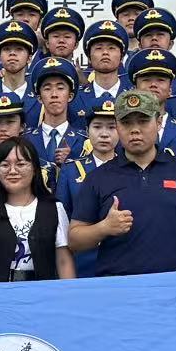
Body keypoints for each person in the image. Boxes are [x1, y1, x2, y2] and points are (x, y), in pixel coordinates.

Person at [70, 88, 176, 275]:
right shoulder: (98, 177)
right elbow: (75, 240)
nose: (135, 129)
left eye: (143, 121)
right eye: (126, 122)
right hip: (119, 286)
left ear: (158, 123)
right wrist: (104, 228)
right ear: (117, 126)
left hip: (173, 285)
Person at [0, 135, 77, 281]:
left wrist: (68, 292)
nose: (12, 171)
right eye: (5, 165)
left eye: (20, 164)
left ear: (35, 169)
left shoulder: (54, 208)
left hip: (41, 291)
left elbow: (63, 261)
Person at [56, 98, 118, 278]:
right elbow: (63, 221)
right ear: (87, 130)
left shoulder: (129, 169)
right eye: (97, 127)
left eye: (112, 127)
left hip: (121, 259)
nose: (104, 134)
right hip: (83, 260)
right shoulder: (71, 170)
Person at [124, 48, 176, 159]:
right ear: (134, 89)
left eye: (160, 80)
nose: (153, 85)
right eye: (146, 80)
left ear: (170, 89)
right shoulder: (123, 129)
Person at [28, 55, 84, 166]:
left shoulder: (84, 142)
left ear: (70, 96)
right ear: (39, 98)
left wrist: (72, 160)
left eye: (60, 88)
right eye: (47, 88)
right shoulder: (26, 140)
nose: (54, 94)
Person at [74, 20, 129, 118]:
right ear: (89, 57)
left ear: (122, 57)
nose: (105, 52)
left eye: (111, 48)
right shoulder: (75, 98)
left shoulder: (133, 94)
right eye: (99, 48)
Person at [0, 20, 38, 100]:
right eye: (7, 49)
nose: (12, 53)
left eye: (19, 49)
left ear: (29, 58)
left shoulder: (39, 93)